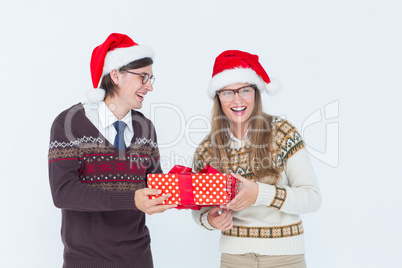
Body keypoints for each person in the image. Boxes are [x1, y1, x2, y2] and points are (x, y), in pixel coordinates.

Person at [48, 33, 175, 268]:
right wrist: (131, 198)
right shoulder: (70, 122)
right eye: (143, 77)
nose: (149, 86)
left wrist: (197, 192)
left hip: (139, 259)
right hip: (86, 261)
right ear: (116, 75)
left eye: (151, 78)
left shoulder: (145, 127)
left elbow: (154, 186)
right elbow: (63, 193)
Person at [192, 50, 321, 268]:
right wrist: (210, 220)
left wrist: (260, 194)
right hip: (234, 260)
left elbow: (312, 198)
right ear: (218, 98)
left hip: (285, 259)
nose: (237, 99)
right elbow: (199, 210)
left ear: (256, 92)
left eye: (245, 90)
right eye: (227, 92)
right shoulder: (207, 149)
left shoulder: (283, 134)